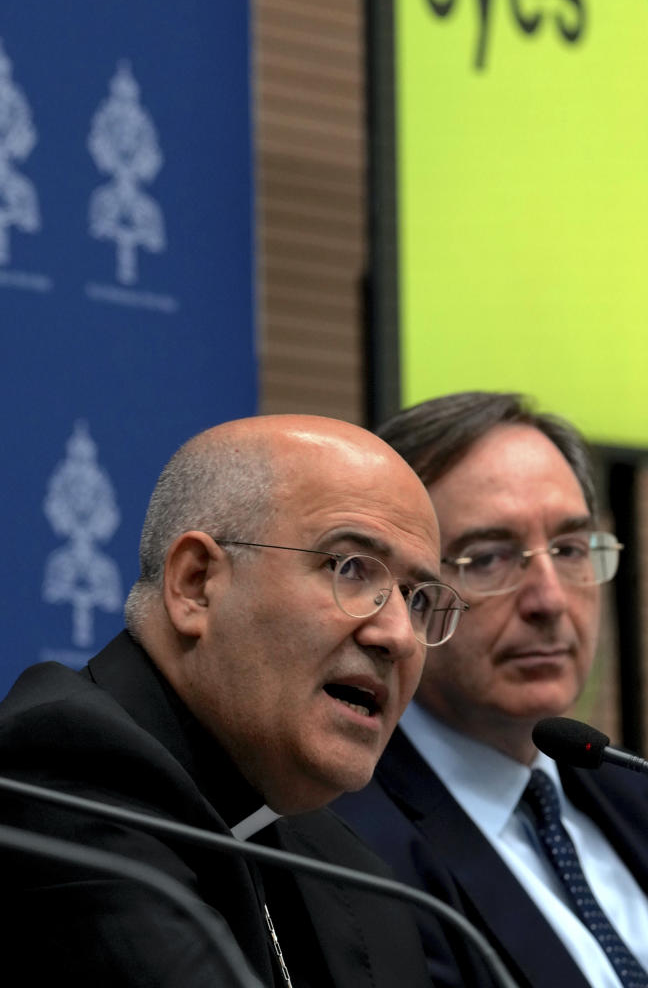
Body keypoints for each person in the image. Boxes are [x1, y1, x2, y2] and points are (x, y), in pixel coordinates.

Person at [335, 392, 648, 988]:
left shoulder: (627, 789)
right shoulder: (352, 838)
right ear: (403, 589)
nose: (549, 601)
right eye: (491, 557)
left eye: (571, 549)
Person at [0, 414, 468, 988]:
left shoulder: (344, 863)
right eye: (349, 568)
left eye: (419, 599)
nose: (397, 635)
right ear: (196, 583)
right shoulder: (59, 772)